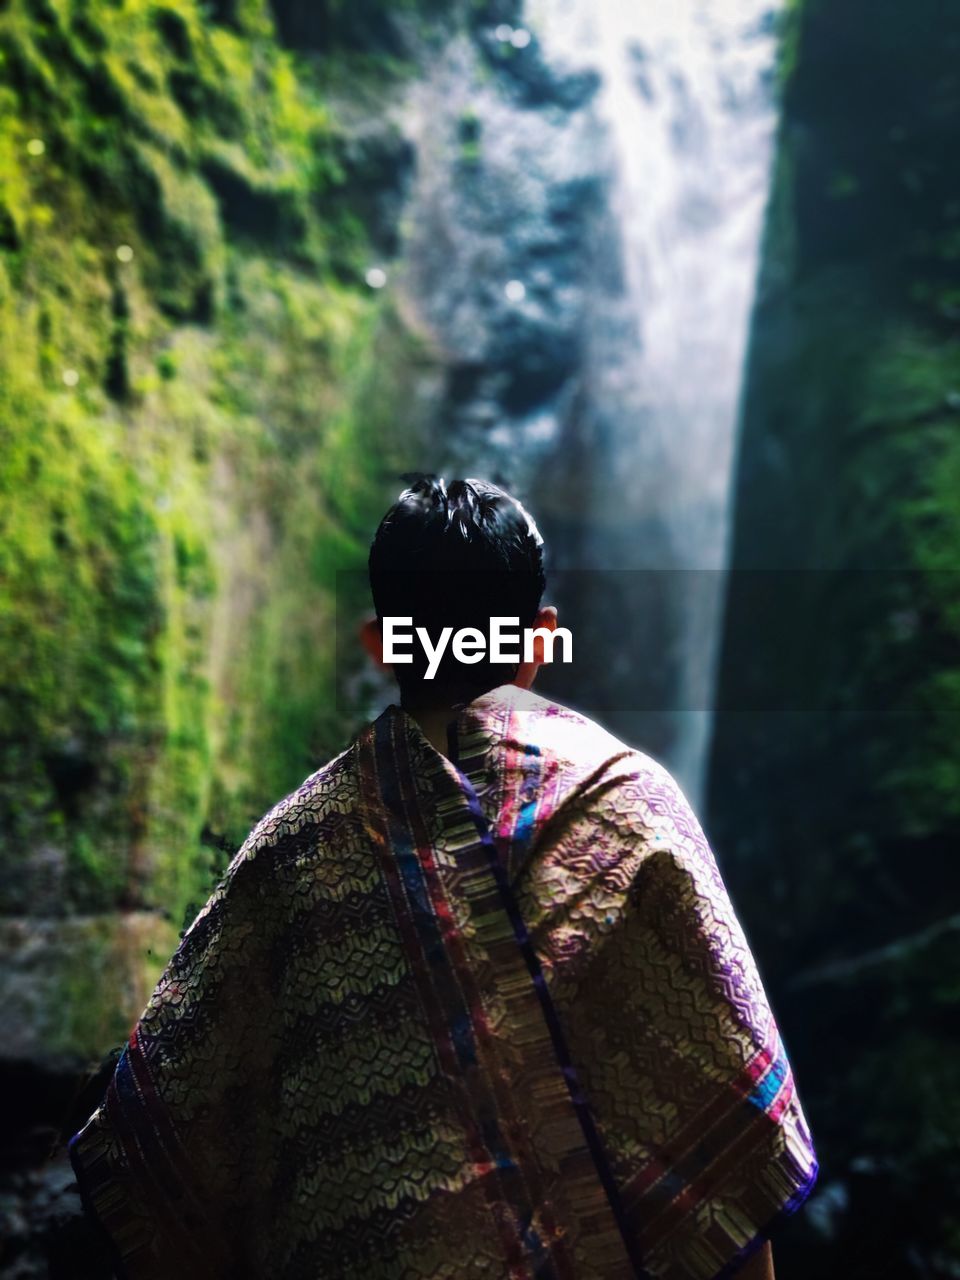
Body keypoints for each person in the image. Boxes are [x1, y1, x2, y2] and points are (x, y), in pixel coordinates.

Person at [68, 476, 818, 1280]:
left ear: (381, 643)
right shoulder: (634, 811)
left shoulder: (282, 857)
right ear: (540, 640)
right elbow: (728, 1150)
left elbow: (164, 1143)